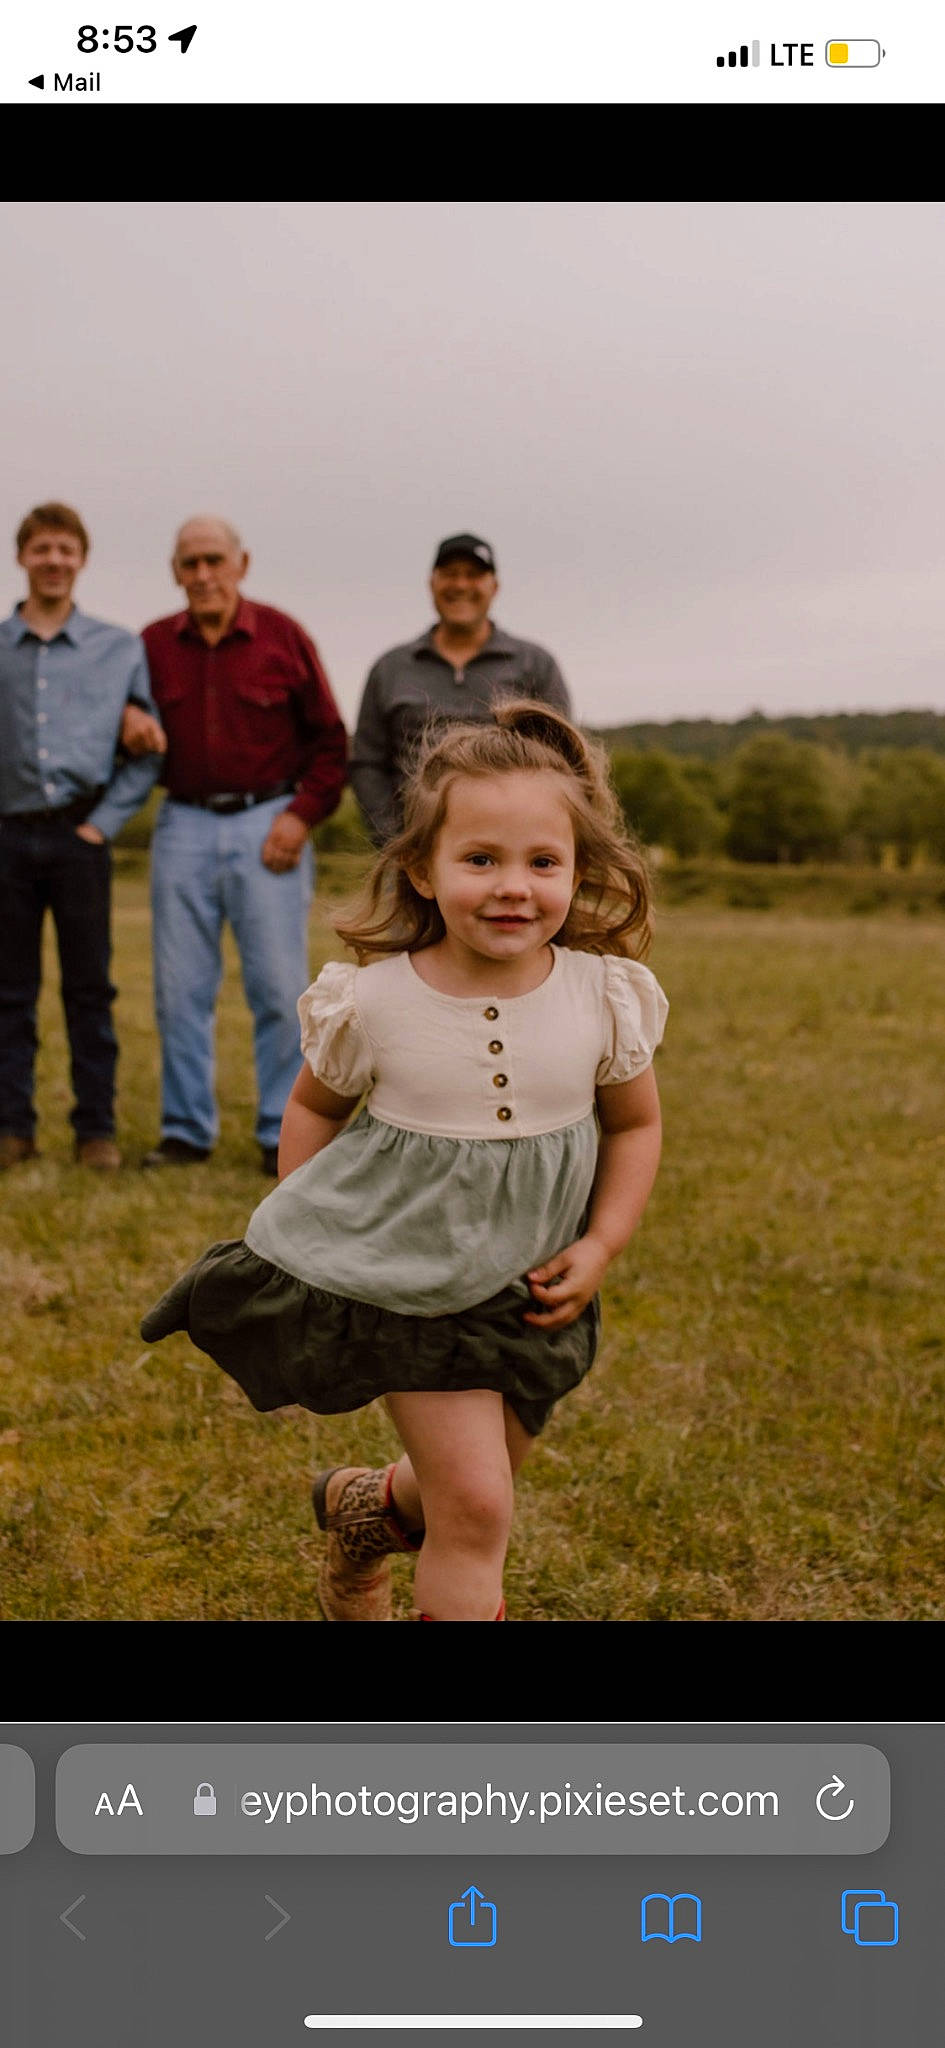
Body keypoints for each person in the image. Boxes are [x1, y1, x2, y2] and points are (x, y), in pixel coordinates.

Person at [141, 699, 668, 1622]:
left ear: (578, 868)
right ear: (424, 870)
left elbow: (633, 1128)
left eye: (543, 861)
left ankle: (368, 1512)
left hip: (531, 1294)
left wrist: (602, 1245)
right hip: (405, 1288)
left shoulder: (603, 997)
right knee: (477, 1508)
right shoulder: (374, 1002)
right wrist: (325, 1239)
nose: (514, 886)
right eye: (480, 859)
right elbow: (311, 1107)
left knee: (468, 1484)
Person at [131, 516, 347, 1175]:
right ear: (174, 572)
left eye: (213, 560)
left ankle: (277, 1136)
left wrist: (300, 815)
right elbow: (116, 715)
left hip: (268, 823)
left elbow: (332, 744)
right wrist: (124, 713)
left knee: (278, 989)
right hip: (182, 824)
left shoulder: (283, 636)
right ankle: (185, 1131)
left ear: (241, 563)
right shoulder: (149, 645)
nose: (202, 575)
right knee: (179, 989)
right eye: (189, 563)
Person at [0, 502, 162, 1171]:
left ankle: (96, 1129)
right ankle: (13, 1127)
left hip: (80, 836)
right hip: (7, 839)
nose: (54, 561)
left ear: (82, 560)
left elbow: (150, 749)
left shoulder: (118, 648)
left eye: (66, 549)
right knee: (9, 991)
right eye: (42, 549)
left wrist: (105, 823)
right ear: (23, 558)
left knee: (89, 989)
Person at [349, 532, 572, 843]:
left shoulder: (535, 664)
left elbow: (562, 758)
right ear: (432, 583)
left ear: (494, 586)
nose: (461, 585)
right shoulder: (390, 668)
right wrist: (394, 838)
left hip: (512, 842)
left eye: (473, 575)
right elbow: (367, 763)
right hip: (413, 843)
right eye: (450, 574)